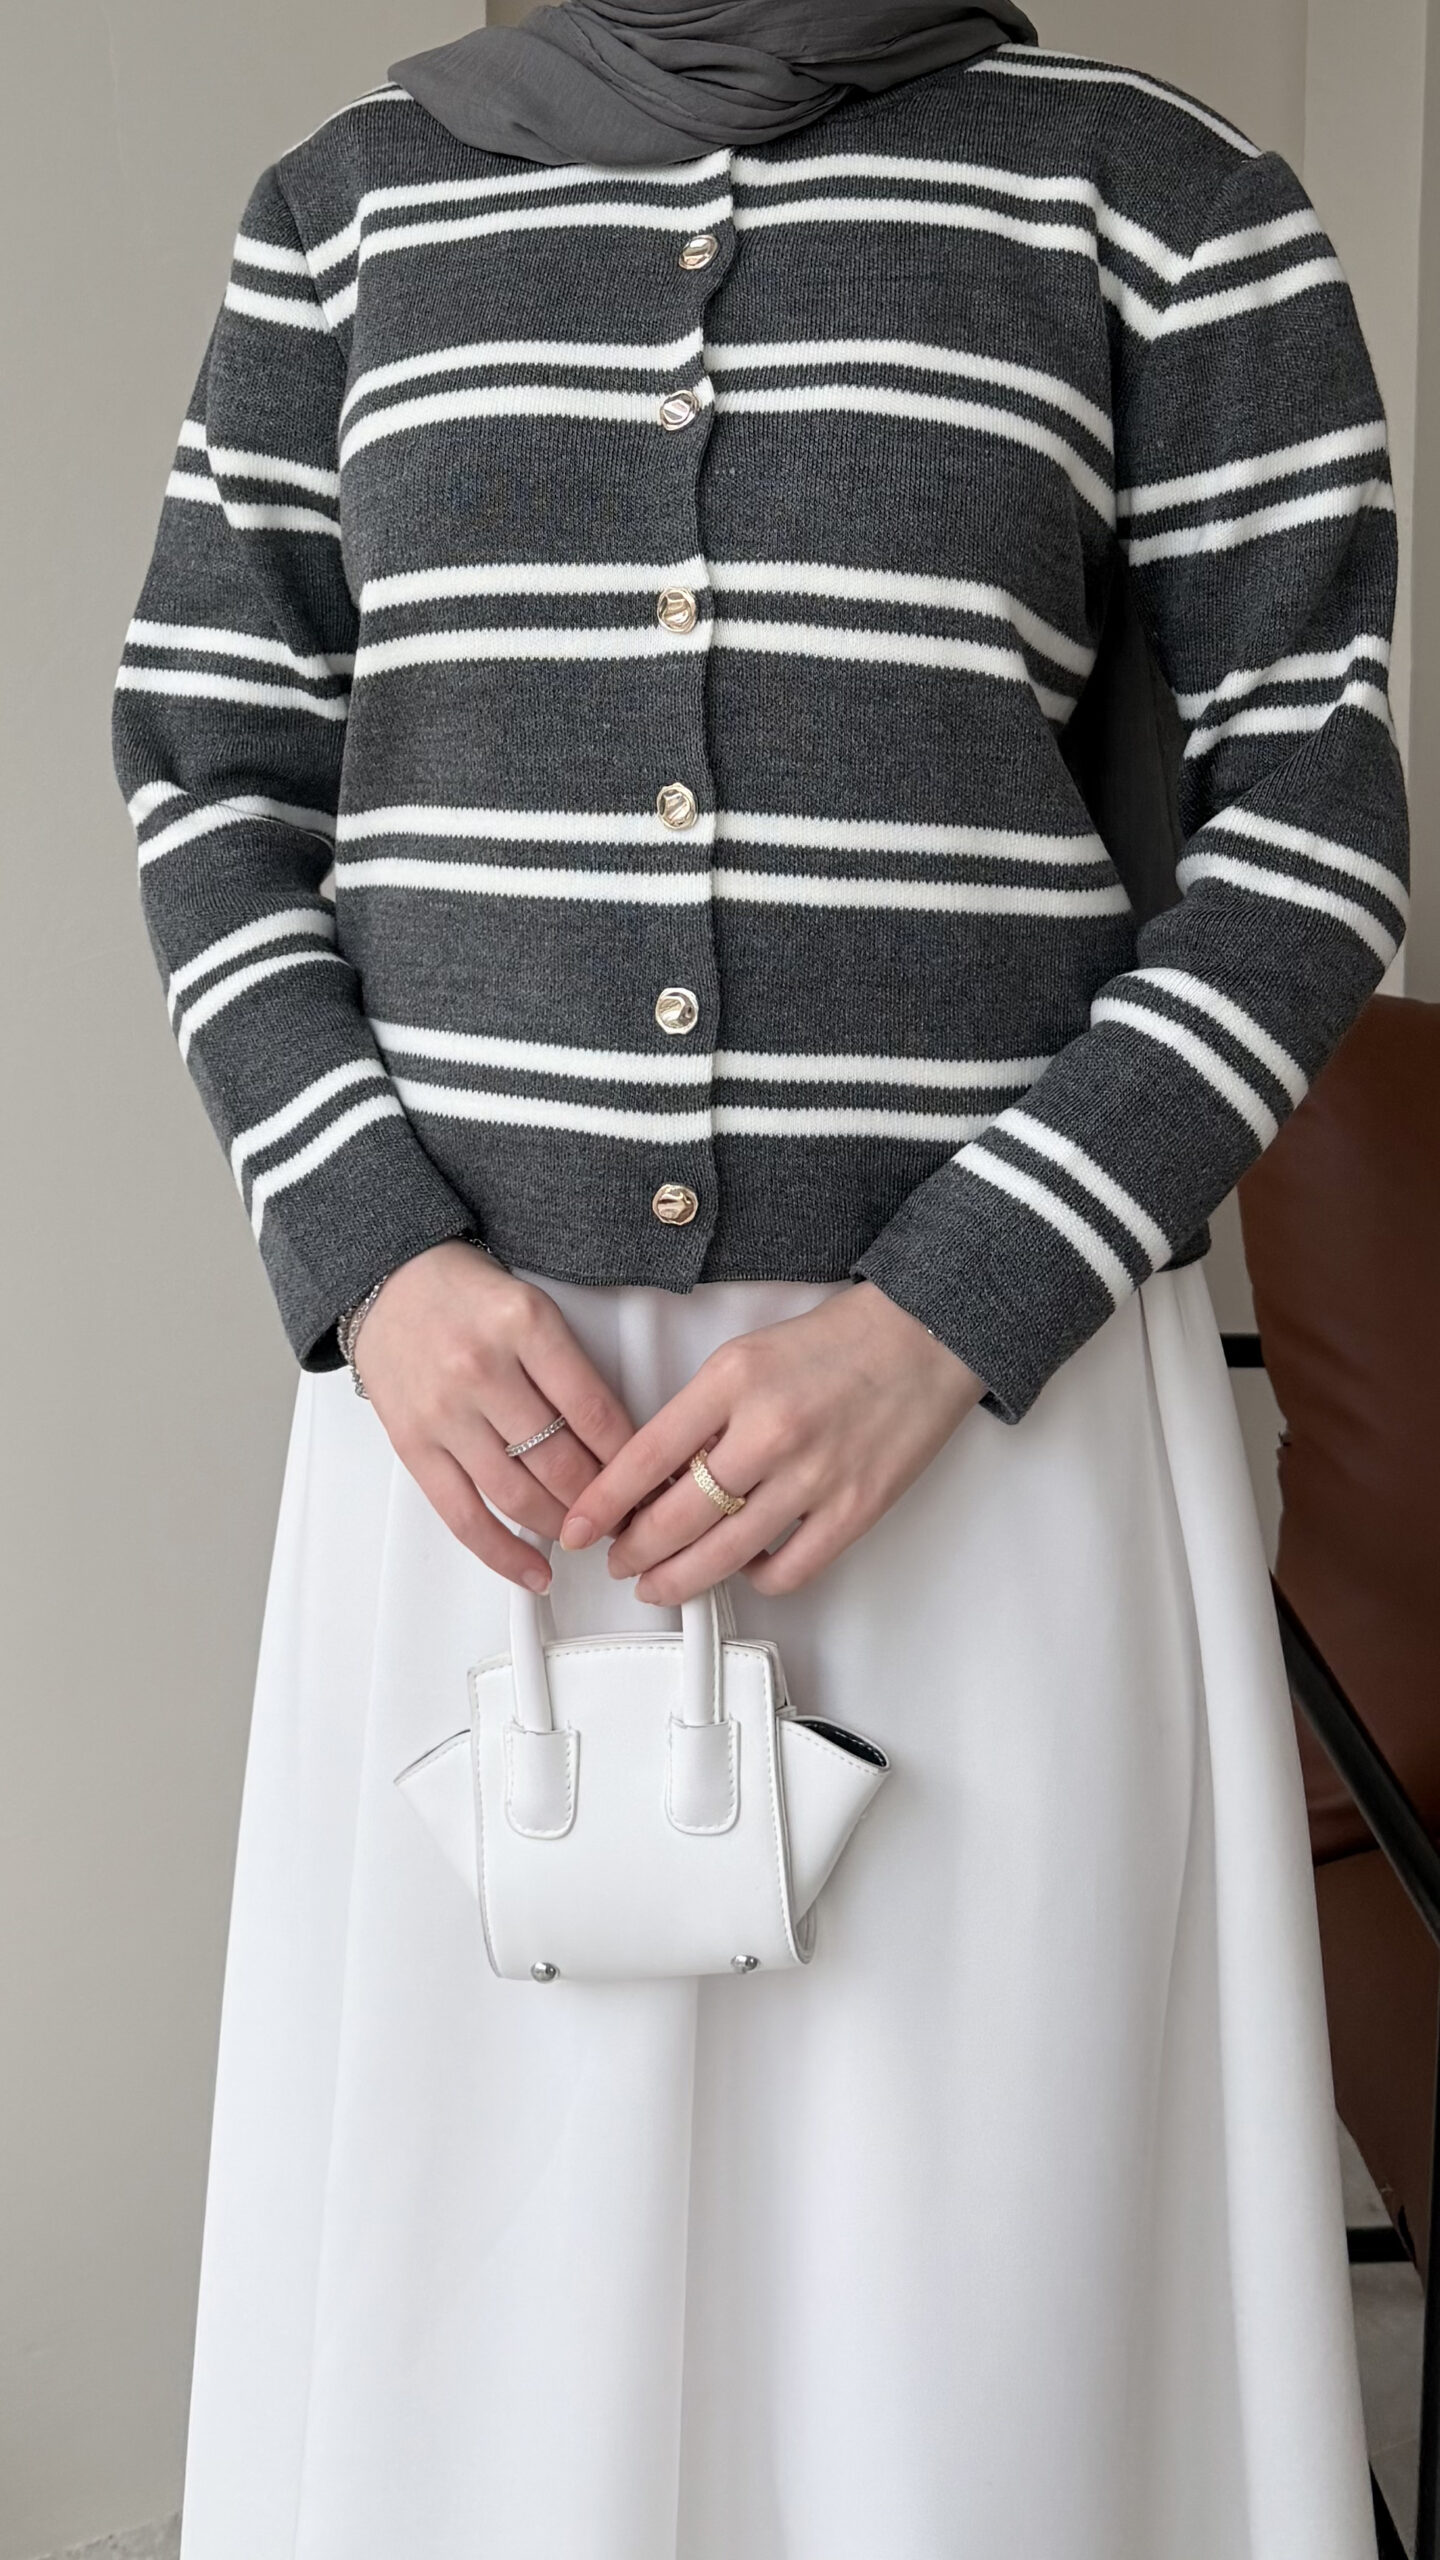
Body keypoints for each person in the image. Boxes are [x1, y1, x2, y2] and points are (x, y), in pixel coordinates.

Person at [113, 4, 1407, 2553]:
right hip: (479, 1430)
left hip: (981, 1414)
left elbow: (1314, 826)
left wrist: (947, 1311)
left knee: (978, 2255)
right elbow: (209, 764)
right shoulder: (346, 212)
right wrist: (377, 1263)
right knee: (487, 2263)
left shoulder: (1160, 197)